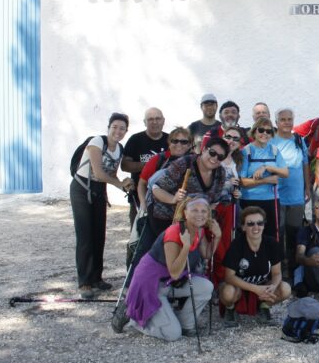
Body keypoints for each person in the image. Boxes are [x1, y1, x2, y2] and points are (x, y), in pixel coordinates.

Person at [116, 196, 219, 340]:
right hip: (152, 284)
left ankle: (186, 324)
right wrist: (186, 247)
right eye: (194, 210)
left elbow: (207, 254)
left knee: (206, 287)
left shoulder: (199, 231)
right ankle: (134, 320)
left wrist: (217, 237)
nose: (200, 214)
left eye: (204, 211)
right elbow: (175, 272)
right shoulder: (174, 232)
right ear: (185, 213)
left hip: (172, 282)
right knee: (172, 335)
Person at [137, 137, 232, 271]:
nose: (215, 158)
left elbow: (212, 204)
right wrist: (173, 199)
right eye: (212, 153)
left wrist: (202, 221)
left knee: (191, 255)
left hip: (192, 219)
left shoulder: (220, 173)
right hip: (165, 215)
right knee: (167, 256)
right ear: (204, 149)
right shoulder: (184, 164)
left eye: (220, 157)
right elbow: (156, 189)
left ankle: (182, 283)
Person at [70, 112, 134, 298]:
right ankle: (84, 283)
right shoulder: (98, 142)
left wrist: (125, 185)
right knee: (85, 236)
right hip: (82, 189)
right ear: (109, 127)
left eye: (122, 128)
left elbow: (111, 174)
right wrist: (120, 184)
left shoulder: (119, 149)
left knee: (99, 235)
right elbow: (98, 172)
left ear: (125, 131)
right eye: (114, 127)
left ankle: (97, 278)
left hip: (99, 191)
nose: (118, 131)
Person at [220, 206, 291, 327]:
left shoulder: (272, 243)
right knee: (228, 292)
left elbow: (277, 273)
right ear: (243, 227)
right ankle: (230, 308)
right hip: (240, 288)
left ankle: (264, 306)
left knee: (285, 288)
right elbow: (229, 277)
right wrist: (254, 289)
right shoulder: (237, 244)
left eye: (260, 223)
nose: (256, 227)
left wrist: (272, 287)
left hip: (263, 287)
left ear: (264, 225)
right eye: (250, 224)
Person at [238, 118, 288, 243]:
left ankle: (271, 262)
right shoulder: (246, 151)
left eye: (268, 131)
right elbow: (242, 182)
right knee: (249, 236)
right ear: (254, 132)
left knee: (271, 236)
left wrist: (266, 167)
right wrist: (267, 180)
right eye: (261, 130)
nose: (265, 133)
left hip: (271, 200)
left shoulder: (274, 150)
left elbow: (285, 173)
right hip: (249, 201)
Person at [272, 108, 311, 270]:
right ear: (276, 123)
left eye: (289, 119)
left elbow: (305, 165)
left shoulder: (299, 140)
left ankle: (294, 270)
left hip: (296, 195)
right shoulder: (271, 141)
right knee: (278, 234)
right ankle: (279, 270)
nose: (287, 122)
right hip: (276, 195)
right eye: (283, 120)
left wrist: (307, 187)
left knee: (295, 233)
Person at [121, 107, 168, 223]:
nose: (155, 122)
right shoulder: (135, 140)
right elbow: (124, 165)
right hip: (138, 194)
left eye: (158, 118)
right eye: (150, 119)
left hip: (166, 195)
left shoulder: (171, 140)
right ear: (144, 122)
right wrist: (150, 165)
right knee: (138, 231)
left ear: (163, 121)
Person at [212, 126, 244, 269]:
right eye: (228, 137)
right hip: (213, 206)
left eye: (236, 138)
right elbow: (208, 181)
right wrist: (226, 183)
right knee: (215, 241)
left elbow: (236, 185)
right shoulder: (214, 157)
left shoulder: (236, 161)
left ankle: (225, 273)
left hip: (230, 207)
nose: (231, 141)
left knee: (227, 241)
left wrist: (237, 192)